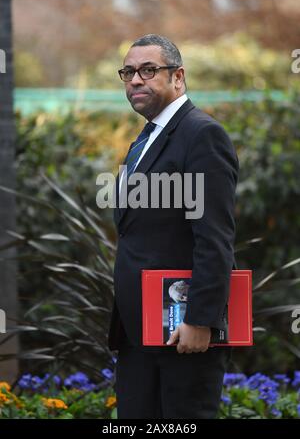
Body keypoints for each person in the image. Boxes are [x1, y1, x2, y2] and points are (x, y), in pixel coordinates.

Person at [107, 34, 239, 419]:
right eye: (128, 72)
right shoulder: (145, 139)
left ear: (178, 77)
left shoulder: (202, 135)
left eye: (149, 70)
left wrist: (201, 319)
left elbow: (214, 237)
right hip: (139, 333)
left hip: (182, 332)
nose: (135, 80)